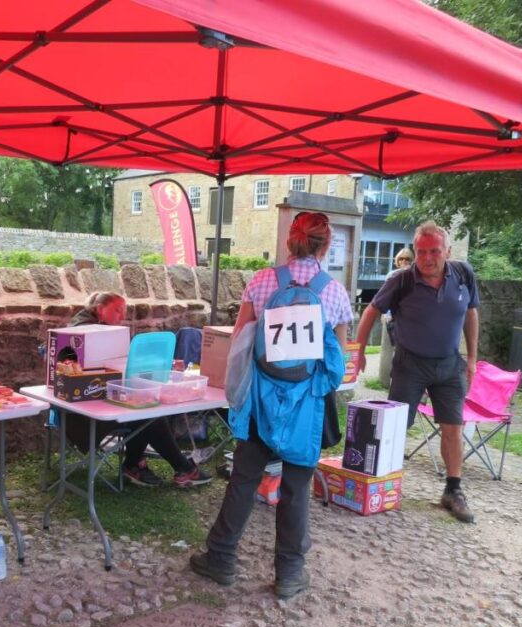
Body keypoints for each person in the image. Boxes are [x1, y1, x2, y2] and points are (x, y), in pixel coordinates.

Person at [189, 212, 351, 599]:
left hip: (261, 399)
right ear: (326, 246)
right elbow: (337, 365)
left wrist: (239, 392)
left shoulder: (262, 282)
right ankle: (290, 574)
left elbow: (241, 341)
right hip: (307, 403)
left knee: (245, 477)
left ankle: (221, 557)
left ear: (288, 242)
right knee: (296, 486)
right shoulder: (334, 292)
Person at [353, 221, 479, 523]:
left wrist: (473, 357)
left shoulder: (463, 274)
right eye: (421, 252)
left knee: (453, 427)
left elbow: (471, 312)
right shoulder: (401, 280)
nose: (426, 258)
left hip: (449, 365)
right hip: (410, 364)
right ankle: (383, 484)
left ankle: (453, 490)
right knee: (395, 426)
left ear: (446, 251)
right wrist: (357, 350)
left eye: (434, 251)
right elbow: (371, 310)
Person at [64, 292, 212, 488]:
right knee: (147, 413)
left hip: (103, 399)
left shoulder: (103, 330)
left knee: (145, 408)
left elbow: (122, 364)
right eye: (117, 310)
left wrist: (162, 365)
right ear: (100, 309)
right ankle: (174, 467)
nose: (122, 317)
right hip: (83, 411)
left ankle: (138, 464)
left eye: (123, 312)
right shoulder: (85, 331)